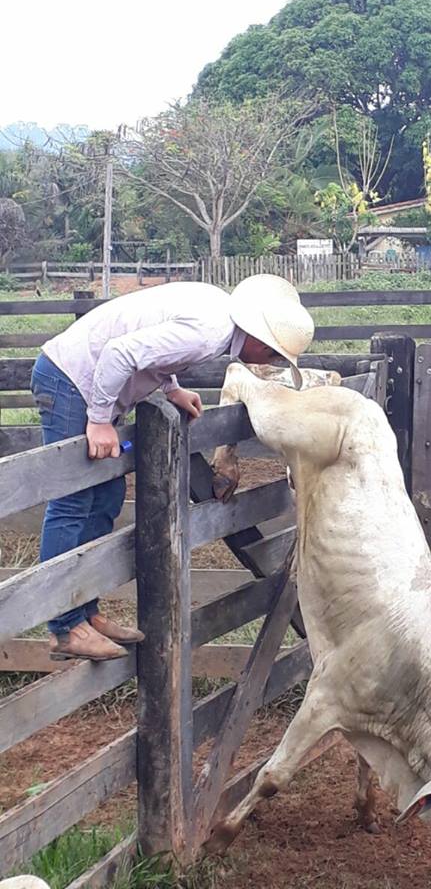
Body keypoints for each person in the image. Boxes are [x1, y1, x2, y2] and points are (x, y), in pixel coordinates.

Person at [31, 274, 315, 662]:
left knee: (105, 496)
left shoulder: (216, 316)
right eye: (275, 355)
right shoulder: (209, 332)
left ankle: (84, 612)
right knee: (73, 500)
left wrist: (171, 389)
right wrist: (98, 419)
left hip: (82, 378)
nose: (273, 362)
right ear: (259, 339)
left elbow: (155, 346)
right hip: (71, 379)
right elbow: (118, 354)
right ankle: (63, 627)